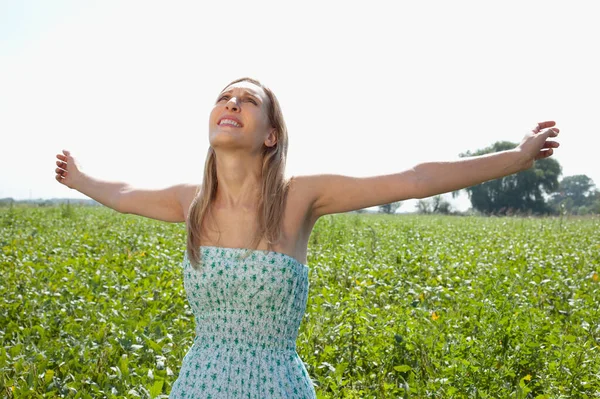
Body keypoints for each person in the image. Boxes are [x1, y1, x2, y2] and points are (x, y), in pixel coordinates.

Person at [54, 77, 561, 398]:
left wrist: (514, 159)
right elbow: (122, 192)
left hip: (276, 385)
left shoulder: (301, 197)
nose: (231, 103)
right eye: (224, 97)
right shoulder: (190, 201)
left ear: (271, 134)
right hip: (199, 385)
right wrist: (80, 180)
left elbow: (414, 178)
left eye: (247, 100)